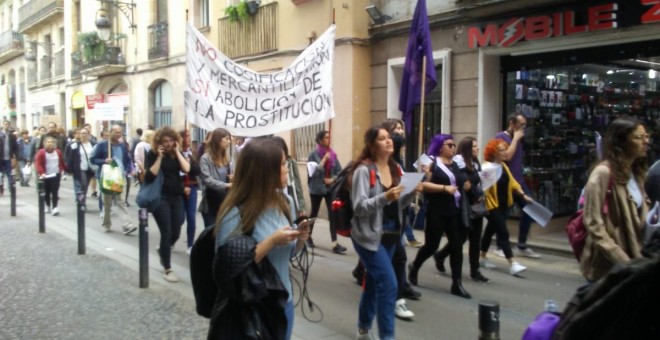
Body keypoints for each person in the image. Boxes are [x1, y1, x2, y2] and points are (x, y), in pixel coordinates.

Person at [210, 138, 309, 340]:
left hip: (283, 302)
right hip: (251, 308)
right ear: (265, 170)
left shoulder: (286, 202)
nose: (287, 168)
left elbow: (288, 254)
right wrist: (271, 241)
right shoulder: (235, 211)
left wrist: (299, 238)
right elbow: (226, 268)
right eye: (282, 164)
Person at [351, 126, 421, 340]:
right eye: (382, 138)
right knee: (389, 285)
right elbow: (359, 207)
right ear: (372, 145)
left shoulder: (396, 169)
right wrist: (385, 197)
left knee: (374, 283)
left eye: (389, 137)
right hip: (368, 238)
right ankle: (387, 337)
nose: (388, 141)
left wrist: (410, 193)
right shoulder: (364, 171)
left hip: (391, 236)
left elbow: (397, 204)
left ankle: (363, 327)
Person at [581, 116, 649, 282]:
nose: (645, 141)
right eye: (638, 137)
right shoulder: (603, 174)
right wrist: (621, 258)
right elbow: (593, 223)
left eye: (646, 136)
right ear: (621, 142)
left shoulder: (637, 173)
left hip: (635, 262)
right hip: (608, 268)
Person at [408, 134, 472, 299]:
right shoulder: (430, 162)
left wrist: (465, 185)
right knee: (431, 245)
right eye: (449, 145)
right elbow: (422, 185)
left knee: (457, 247)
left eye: (453, 145)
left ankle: (456, 283)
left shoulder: (456, 163)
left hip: (455, 211)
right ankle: (414, 266)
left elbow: (461, 181)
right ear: (440, 147)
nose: (452, 147)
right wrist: (444, 188)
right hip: (437, 211)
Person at [435, 137, 490, 283]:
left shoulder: (475, 163)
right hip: (464, 205)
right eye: (474, 146)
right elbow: (464, 183)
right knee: (461, 238)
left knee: (476, 239)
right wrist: (474, 191)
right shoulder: (459, 162)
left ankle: (475, 270)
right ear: (467, 148)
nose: (478, 149)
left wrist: (480, 192)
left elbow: (479, 182)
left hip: (476, 206)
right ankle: (441, 256)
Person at [478, 138, 531, 276]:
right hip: (491, 207)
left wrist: (523, 195)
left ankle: (481, 257)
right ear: (494, 152)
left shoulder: (503, 166)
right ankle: (513, 263)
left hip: (502, 206)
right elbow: (480, 188)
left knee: (490, 231)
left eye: (505, 149)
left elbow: (513, 183)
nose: (505, 152)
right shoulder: (487, 169)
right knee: (503, 232)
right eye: (501, 150)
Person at [145, 127, 190, 282]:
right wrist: (159, 156)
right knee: (167, 231)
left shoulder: (175, 154)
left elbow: (187, 168)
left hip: (176, 196)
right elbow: (151, 174)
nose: (169, 144)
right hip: (160, 197)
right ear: (159, 142)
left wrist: (177, 152)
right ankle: (167, 268)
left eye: (171, 140)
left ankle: (163, 250)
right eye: (165, 141)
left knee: (176, 231)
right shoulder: (152, 154)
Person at [494, 114, 541, 258]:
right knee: (503, 215)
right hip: (506, 184)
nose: (523, 128)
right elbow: (506, 156)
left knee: (529, 210)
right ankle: (499, 246)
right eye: (521, 124)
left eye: (525, 125)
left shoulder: (520, 139)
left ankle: (521, 244)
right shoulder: (500, 137)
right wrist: (515, 139)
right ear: (512, 123)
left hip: (519, 182)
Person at [382, 119, 422, 248]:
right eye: (397, 128)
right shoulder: (383, 163)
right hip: (386, 215)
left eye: (401, 128)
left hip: (399, 210)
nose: (401, 131)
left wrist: (412, 190)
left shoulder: (399, 159)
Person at [91, 125, 136, 235]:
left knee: (121, 201)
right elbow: (93, 159)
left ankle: (127, 225)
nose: (118, 134)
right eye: (115, 132)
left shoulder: (122, 146)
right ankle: (107, 222)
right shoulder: (102, 145)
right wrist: (104, 161)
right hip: (108, 177)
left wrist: (126, 170)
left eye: (120, 132)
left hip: (120, 177)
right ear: (110, 132)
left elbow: (126, 159)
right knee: (107, 202)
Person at [307, 130, 347, 253]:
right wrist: (323, 160)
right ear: (319, 140)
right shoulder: (313, 154)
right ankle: (308, 236)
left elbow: (340, 171)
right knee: (314, 213)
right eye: (325, 137)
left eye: (329, 137)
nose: (328, 139)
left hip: (330, 189)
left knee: (332, 215)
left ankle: (335, 244)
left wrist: (332, 179)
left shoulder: (333, 154)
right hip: (317, 188)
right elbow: (312, 173)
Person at [199, 128, 232, 228]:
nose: (229, 141)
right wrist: (226, 185)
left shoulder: (225, 158)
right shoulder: (205, 158)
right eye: (227, 138)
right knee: (211, 234)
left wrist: (231, 178)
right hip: (210, 201)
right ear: (218, 139)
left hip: (223, 201)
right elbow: (207, 180)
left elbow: (226, 177)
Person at [180, 129, 202, 255]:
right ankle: (171, 239)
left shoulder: (192, 153)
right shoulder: (176, 153)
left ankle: (190, 244)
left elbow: (197, 170)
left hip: (192, 187)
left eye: (188, 136)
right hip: (180, 188)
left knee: (191, 217)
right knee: (180, 218)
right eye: (185, 136)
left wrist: (190, 164)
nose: (187, 138)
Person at [272, 136, 306, 216]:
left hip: (289, 196)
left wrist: (301, 206)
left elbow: (297, 185)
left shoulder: (291, 162)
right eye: (282, 164)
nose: (286, 170)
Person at [34, 137, 66, 216]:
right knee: (46, 191)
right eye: (48, 142)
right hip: (46, 175)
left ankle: (55, 207)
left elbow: (62, 162)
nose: (50, 143)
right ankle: (47, 205)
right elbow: (38, 164)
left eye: (51, 142)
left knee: (55, 191)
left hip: (56, 174)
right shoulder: (41, 152)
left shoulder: (58, 152)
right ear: (44, 144)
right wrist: (42, 173)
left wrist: (66, 169)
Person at [65, 128, 95, 211]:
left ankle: (82, 200)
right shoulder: (75, 145)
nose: (84, 135)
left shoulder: (92, 144)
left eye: (85, 133)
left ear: (89, 135)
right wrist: (69, 170)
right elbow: (70, 158)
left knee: (85, 186)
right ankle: (81, 203)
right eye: (82, 133)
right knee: (81, 185)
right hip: (79, 168)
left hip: (89, 169)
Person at [0, 121, 17, 194]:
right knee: (0, 174)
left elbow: (15, 147)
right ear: (3, 125)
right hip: (0, 157)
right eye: (5, 124)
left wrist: (15, 157)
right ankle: (1, 189)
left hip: (8, 157)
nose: (7, 126)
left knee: (9, 173)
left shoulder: (12, 136)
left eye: (8, 124)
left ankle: (11, 189)